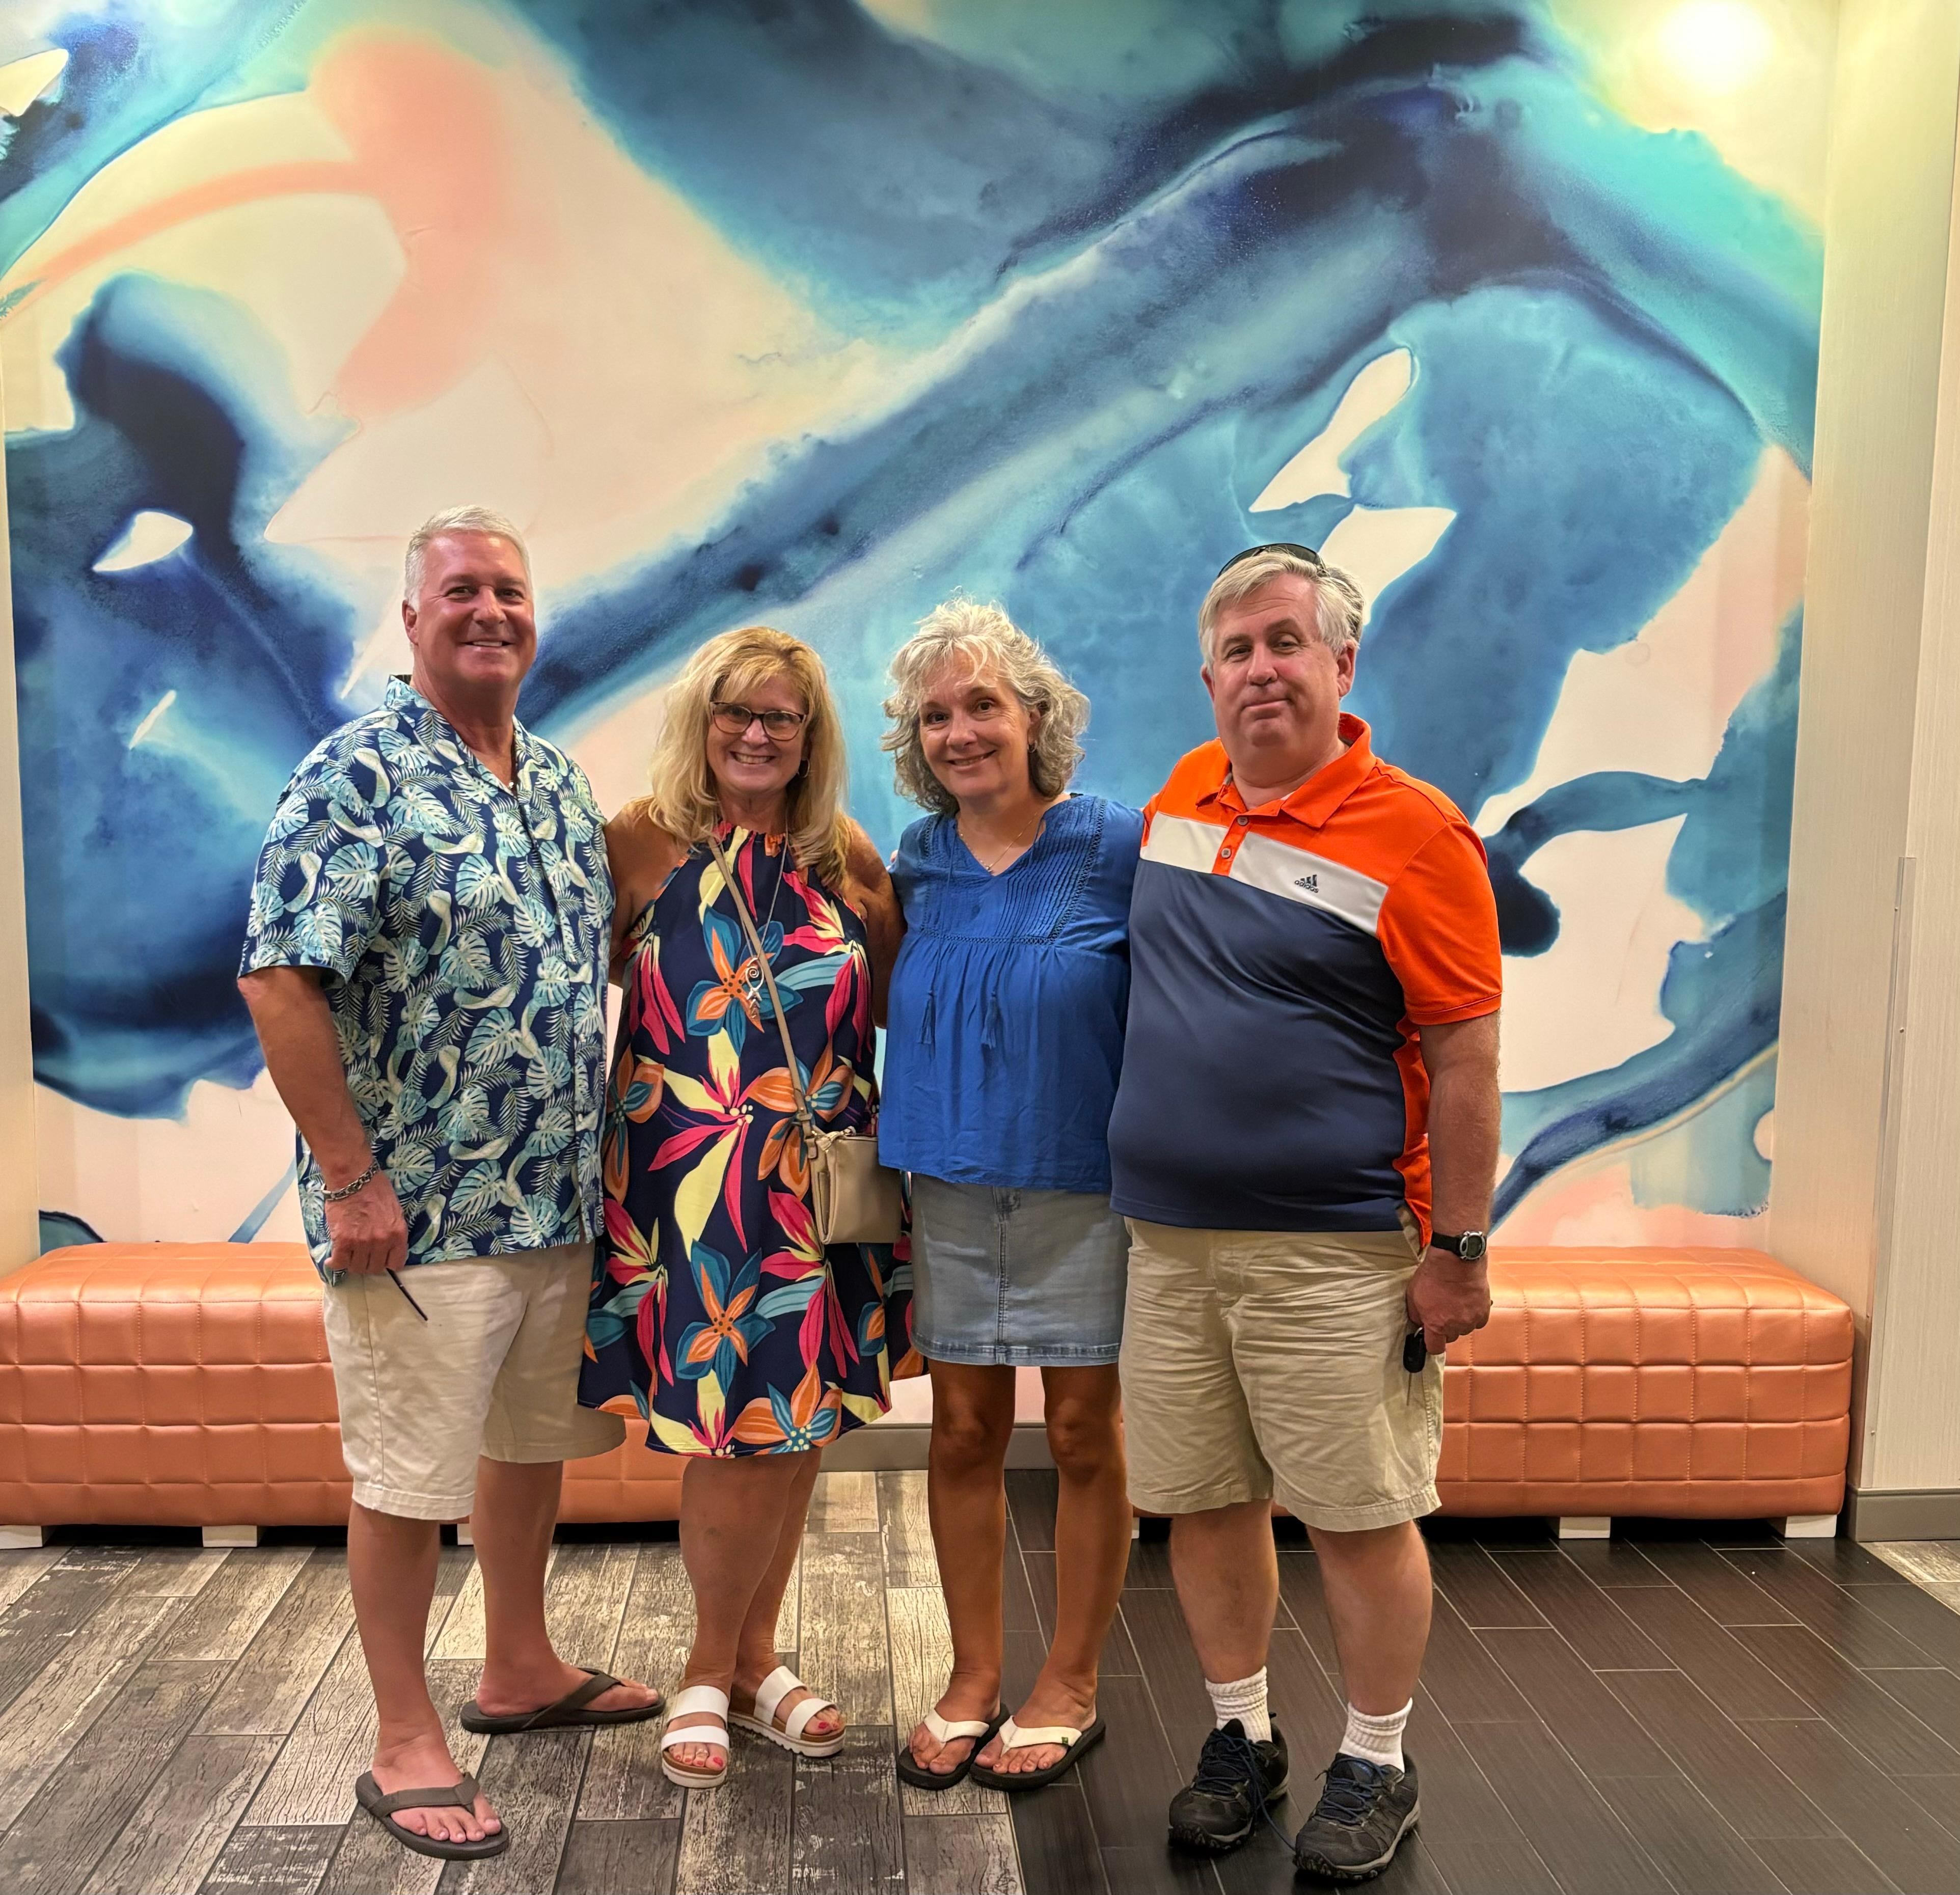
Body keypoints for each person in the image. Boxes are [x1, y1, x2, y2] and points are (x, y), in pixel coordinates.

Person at [237, 506, 662, 1864]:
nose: (491, 611)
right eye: (462, 591)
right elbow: (278, 976)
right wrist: (351, 1177)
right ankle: (403, 1733)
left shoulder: (549, 779)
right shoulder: (352, 777)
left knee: (529, 1445)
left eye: (511, 592)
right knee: (409, 1476)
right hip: (412, 1215)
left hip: (550, 1203)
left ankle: (520, 1664)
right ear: (412, 619)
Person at [1106, 544, 1501, 1880]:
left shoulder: (1419, 834)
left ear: (1343, 662)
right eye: (1236, 647)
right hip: (1166, 1245)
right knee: (1206, 1504)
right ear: (1207, 674)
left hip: (1335, 1251)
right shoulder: (1181, 797)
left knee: (1355, 1513)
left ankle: (1378, 1760)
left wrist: (1459, 1251)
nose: (1260, 668)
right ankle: (1240, 1738)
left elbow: (1466, 1060)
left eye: (1287, 642)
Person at [580, 625, 910, 1789]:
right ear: (701, 721)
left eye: (782, 716)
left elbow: (893, 1007)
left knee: (794, 1424)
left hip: (815, 1188)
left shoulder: (842, 857)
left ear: (810, 736)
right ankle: (708, 1667)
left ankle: (752, 1660)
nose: (757, 733)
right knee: (736, 1428)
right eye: (737, 712)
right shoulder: (638, 843)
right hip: (689, 1189)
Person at [878, 599, 1141, 1792]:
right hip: (945, 1185)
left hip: (1082, 1187)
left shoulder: (1114, 845)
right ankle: (973, 1676)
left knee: (1085, 1434)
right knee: (965, 1433)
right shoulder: (916, 861)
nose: (959, 731)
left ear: (1037, 716)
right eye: (935, 715)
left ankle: (1071, 1683)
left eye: (981, 704)